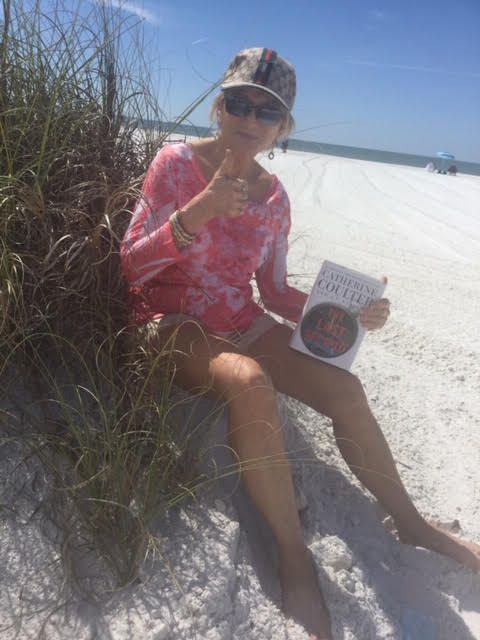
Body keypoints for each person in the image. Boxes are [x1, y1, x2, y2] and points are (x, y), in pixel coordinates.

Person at [120, 48, 480, 640]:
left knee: (346, 387)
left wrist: (351, 312)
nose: (250, 117)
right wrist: (198, 213)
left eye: (268, 111)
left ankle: (413, 524)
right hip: (168, 320)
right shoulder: (174, 165)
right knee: (250, 381)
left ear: (282, 128)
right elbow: (129, 269)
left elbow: (276, 290)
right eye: (239, 102)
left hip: (241, 319)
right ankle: (293, 555)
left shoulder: (275, 198)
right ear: (218, 107)